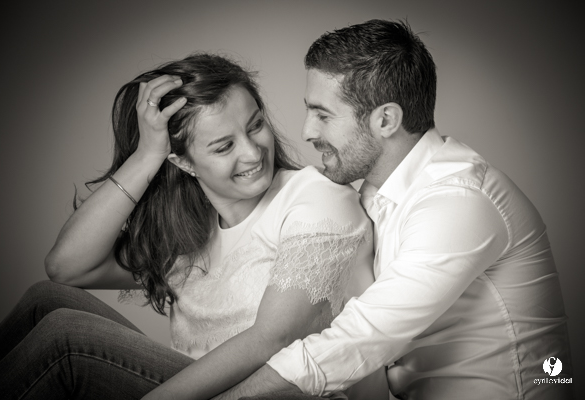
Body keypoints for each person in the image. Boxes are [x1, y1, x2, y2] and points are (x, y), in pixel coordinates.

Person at [0, 54, 388, 399]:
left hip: (283, 393)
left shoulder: (315, 197)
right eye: (224, 146)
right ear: (182, 162)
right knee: (45, 300)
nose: (252, 153)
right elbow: (66, 268)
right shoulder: (190, 231)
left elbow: (274, 338)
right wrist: (147, 155)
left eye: (255, 126)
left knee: (67, 340)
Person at [215, 20, 574, 400]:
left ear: (385, 120)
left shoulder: (459, 202)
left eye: (323, 115)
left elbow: (359, 338)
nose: (307, 131)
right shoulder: (370, 195)